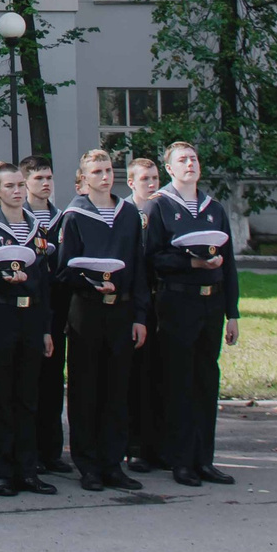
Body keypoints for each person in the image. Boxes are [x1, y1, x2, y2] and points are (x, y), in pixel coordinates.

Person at [145, 141, 239, 487]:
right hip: (177, 302)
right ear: (169, 169)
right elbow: (152, 258)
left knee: (206, 381)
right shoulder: (160, 207)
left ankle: (205, 459)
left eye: (194, 159)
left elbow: (229, 264)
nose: (190, 164)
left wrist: (233, 312)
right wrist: (191, 262)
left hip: (211, 303)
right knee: (179, 381)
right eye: (182, 160)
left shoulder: (214, 207)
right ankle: (181, 460)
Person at [57, 148, 149, 493]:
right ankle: (89, 464)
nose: (105, 176)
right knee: (86, 387)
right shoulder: (75, 216)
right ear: (84, 178)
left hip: (122, 309)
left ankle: (113, 463)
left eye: (109, 170)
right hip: (87, 309)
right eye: (96, 171)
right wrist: (92, 281)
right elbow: (64, 269)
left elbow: (139, 267)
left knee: (117, 388)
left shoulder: (128, 214)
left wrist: (140, 315)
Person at [0, 163, 56, 496]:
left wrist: (47, 328)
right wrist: (0, 279)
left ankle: (27, 470)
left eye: (21, 185)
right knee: (0, 397)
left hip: (31, 319)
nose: (17, 191)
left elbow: (44, 283)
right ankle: (2, 472)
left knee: (27, 397)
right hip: (0, 318)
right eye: (10, 186)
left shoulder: (36, 228)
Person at [22, 157, 73, 475]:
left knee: (54, 380)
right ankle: (30, 451)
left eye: (49, 177)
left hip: (59, 305)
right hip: (30, 307)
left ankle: (52, 450)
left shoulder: (64, 219)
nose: (46, 183)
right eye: (38, 178)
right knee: (30, 381)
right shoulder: (19, 219)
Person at [124, 154, 165, 474]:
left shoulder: (164, 208)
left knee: (157, 375)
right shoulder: (126, 213)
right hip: (130, 303)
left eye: (155, 178)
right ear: (131, 182)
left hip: (159, 301)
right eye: (145, 179)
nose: (152, 184)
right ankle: (134, 445)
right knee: (133, 376)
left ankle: (156, 443)